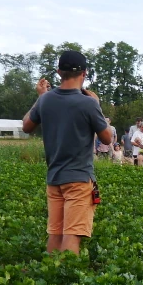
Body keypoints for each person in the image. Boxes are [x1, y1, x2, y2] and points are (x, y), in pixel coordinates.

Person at [20, 50, 113, 254]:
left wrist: (41, 97)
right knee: (72, 235)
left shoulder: (45, 100)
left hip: (54, 178)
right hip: (79, 179)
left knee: (56, 233)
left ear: (59, 72)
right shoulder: (88, 103)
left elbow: (26, 126)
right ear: (84, 73)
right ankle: (66, 282)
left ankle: (50, 278)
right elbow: (107, 138)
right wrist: (97, 106)